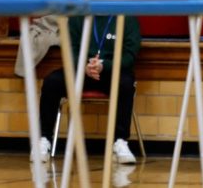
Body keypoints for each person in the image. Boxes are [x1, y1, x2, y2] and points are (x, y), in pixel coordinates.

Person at [32, 15, 142, 164]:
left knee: (126, 84)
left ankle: (120, 142)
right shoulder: (78, 17)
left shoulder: (126, 18)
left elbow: (129, 56)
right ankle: (43, 140)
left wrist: (104, 66)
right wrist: (84, 66)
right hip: (81, 71)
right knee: (52, 81)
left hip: (112, 71)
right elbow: (70, 50)